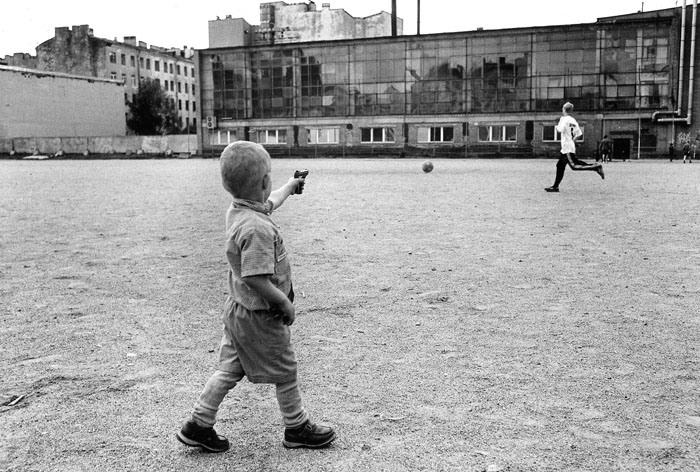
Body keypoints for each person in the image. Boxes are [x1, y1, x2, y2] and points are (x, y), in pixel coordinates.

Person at [176, 141, 336, 453]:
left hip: (238, 312)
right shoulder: (256, 229)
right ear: (263, 182)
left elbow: (270, 202)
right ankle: (297, 426)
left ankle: (198, 422)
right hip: (260, 315)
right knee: (285, 369)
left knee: (230, 368)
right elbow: (255, 278)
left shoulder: (240, 210)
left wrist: (290, 186)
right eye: (271, 179)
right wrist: (283, 301)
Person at [545, 102, 604, 193]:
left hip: (567, 148)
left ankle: (595, 167)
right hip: (569, 146)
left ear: (564, 110)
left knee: (574, 166)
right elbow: (579, 134)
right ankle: (555, 187)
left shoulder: (563, 119)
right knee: (560, 166)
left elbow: (560, 130)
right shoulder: (573, 120)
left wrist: (556, 127)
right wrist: (573, 140)